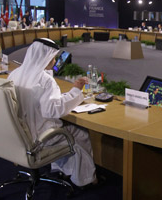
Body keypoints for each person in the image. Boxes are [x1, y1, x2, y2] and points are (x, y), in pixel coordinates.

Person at [8, 38, 99, 187]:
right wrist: (76, 89)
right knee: (80, 133)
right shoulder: (45, 80)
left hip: (21, 134)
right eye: (53, 57)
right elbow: (53, 110)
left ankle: (61, 167)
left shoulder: (15, 74)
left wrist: (65, 96)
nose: (55, 60)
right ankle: (86, 179)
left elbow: (41, 102)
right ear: (47, 57)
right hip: (41, 137)